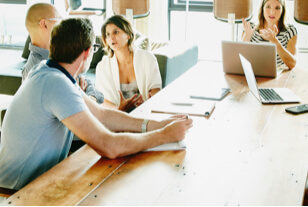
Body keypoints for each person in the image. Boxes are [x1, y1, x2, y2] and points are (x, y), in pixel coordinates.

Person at [0, 17, 193, 191]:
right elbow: (109, 146)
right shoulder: (56, 83)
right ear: (87, 53)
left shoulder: (51, 72)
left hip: (28, 183)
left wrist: (157, 124)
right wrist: (163, 135)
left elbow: (102, 115)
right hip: (15, 191)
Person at [22, 3, 104, 104]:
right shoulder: (39, 69)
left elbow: (85, 81)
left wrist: (90, 98)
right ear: (44, 25)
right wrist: (83, 98)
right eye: (59, 19)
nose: (63, 24)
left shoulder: (57, 55)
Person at [96, 15, 161, 112]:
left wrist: (148, 103)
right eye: (108, 34)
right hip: (117, 117)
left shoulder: (148, 59)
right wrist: (118, 109)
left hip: (144, 114)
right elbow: (102, 100)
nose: (111, 38)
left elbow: (155, 90)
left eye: (116, 32)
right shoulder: (102, 67)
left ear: (128, 35)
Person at [242, 0, 297, 70]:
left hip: (279, 77)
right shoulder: (250, 28)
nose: (272, 12)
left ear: (282, 10)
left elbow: (292, 64)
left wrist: (275, 42)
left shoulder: (290, 31)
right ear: (262, 8)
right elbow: (240, 60)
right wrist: (246, 39)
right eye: (268, 7)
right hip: (255, 73)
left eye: (277, 8)